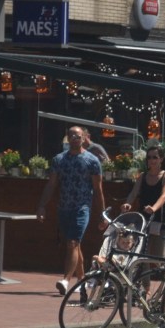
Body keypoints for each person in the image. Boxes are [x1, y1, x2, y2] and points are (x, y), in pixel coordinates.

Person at [37, 125, 107, 295]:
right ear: (67, 139)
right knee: (75, 246)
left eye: (78, 136)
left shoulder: (92, 160)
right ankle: (82, 282)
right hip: (64, 208)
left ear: (84, 138)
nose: (75, 138)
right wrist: (42, 205)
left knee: (72, 243)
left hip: (82, 208)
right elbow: (52, 184)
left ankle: (65, 280)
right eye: (71, 136)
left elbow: (98, 190)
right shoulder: (59, 160)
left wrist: (102, 214)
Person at [120, 144, 165, 261]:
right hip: (143, 221)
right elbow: (133, 193)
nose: (151, 160)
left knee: (159, 258)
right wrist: (128, 203)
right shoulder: (143, 176)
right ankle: (145, 280)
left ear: (161, 159)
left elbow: (164, 195)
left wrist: (154, 208)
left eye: (155, 157)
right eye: (149, 157)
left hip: (160, 221)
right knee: (141, 255)